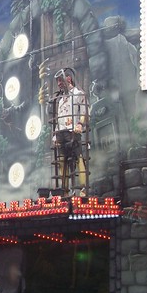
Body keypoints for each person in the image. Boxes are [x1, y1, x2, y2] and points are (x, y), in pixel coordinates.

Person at [51, 67, 88, 196]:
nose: (59, 84)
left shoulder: (78, 94)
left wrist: (80, 124)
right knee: (62, 161)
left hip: (73, 132)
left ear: (68, 78)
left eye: (60, 80)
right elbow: (59, 119)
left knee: (79, 157)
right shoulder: (61, 100)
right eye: (57, 81)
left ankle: (83, 188)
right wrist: (55, 135)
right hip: (61, 133)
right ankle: (65, 191)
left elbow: (84, 111)